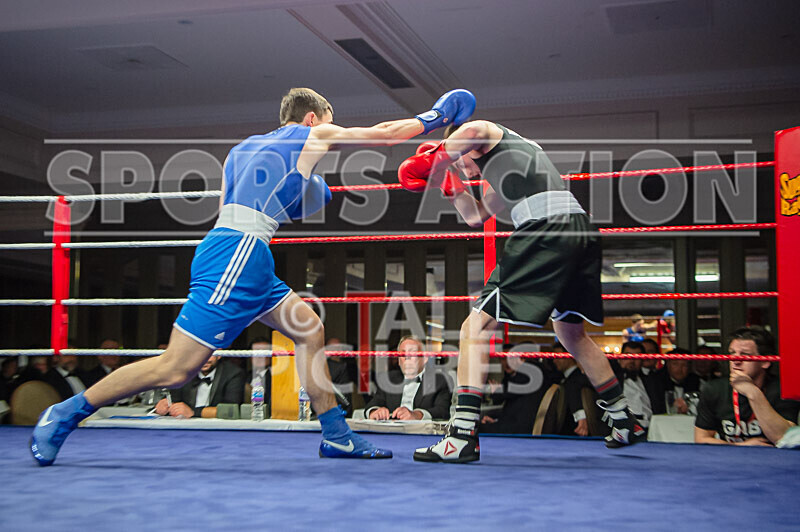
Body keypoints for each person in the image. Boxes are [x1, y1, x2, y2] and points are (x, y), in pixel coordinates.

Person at [30, 87, 476, 465]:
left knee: (310, 329)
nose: (329, 129)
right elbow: (381, 136)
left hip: (242, 252)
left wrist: (301, 189)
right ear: (311, 116)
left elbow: (237, 206)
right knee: (176, 368)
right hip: (239, 255)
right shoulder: (311, 132)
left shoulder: (239, 150)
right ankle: (65, 413)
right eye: (328, 121)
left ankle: (336, 433)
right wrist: (436, 116)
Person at [401, 120, 645, 463]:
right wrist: (448, 181)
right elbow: (477, 215)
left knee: (475, 327)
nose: (464, 169)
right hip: (577, 229)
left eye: (462, 163)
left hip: (546, 228)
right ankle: (623, 419)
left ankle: (461, 436)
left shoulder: (485, 132)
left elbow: (469, 133)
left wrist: (437, 159)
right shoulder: (507, 165)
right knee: (570, 332)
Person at [694, 327, 799, 446]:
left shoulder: (782, 390)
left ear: (765, 362)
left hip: (775, 460)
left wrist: (753, 393)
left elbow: (784, 439)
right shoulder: (714, 389)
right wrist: (741, 447)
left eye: (745, 354)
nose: (736, 360)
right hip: (728, 459)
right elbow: (701, 439)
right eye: (732, 353)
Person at [365, 336, 451, 421]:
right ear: (399, 360)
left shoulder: (439, 380)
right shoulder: (389, 379)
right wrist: (374, 411)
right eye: (403, 354)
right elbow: (374, 403)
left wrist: (417, 415)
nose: (407, 357)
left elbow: (443, 411)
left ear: (425, 358)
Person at [154, 355, 244, 418]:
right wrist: (163, 407)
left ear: (219, 354)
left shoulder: (233, 373)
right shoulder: (183, 373)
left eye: (210, 353)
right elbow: (174, 402)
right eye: (201, 354)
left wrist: (193, 412)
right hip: (184, 426)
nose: (204, 359)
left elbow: (230, 410)